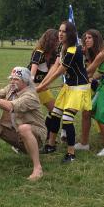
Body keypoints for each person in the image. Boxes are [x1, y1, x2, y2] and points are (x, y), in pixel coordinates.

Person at [0, 67, 46, 180]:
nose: (12, 81)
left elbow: (10, 106)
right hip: (15, 131)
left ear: (25, 81)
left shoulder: (30, 96)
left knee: (24, 128)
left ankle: (37, 168)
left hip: (35, 136)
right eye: (11, 78)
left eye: (16, 79)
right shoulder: (11, 88)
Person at [36, 21, 91, 163]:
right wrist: (42, 84)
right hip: (68, 87)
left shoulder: (73, 50)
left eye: (64, 31)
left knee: (67, 119)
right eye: (59, 31)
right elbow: (55, 66)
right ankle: (50, 145)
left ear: (70, 34)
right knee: (55, 114)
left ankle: (71, 153)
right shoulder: (61, 47)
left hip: (79, 88)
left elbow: (60, 71)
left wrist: (42, 86)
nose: (60, 34)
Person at [76, 29, 104, 156]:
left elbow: (89, 71)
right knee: (86, 112)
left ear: (96, 39)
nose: (86, 40)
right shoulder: (96, 53)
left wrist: (73, 77)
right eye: (85, 38)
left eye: (89, 37)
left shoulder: (102, 54)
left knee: (101, 115)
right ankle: (84, 144)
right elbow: (95, 74)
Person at [29, 29, 59, 112]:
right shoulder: (39, 52)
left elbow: (52, 72)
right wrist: (31, 86)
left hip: (41, 86)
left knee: (55, 111)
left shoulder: (54, 55)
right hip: (30, 86)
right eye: (57, 40)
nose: (59, 43)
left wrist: (45, 84)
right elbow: (32, 74)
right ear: (51, 41)